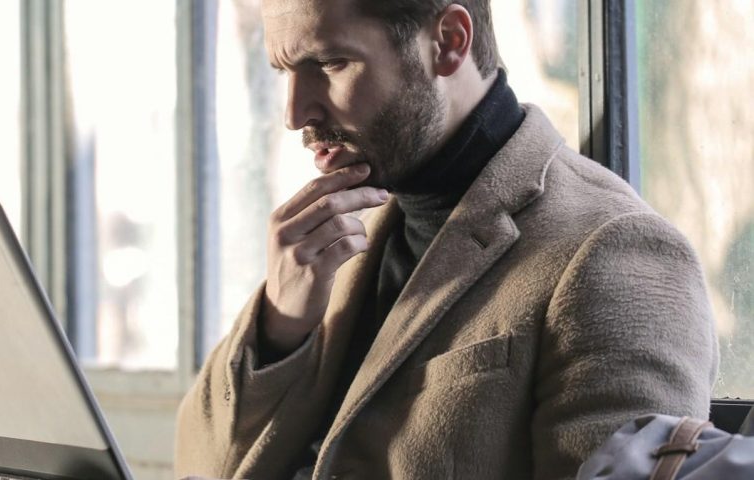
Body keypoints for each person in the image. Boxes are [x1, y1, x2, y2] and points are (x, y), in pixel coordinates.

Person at [173, 0, 717, 479]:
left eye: (330, 63)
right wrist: (280, 325)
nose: (295, 113)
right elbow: (199, 466)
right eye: (284, 70)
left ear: (449, 42)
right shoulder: (336, 231)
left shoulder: (616, 250)